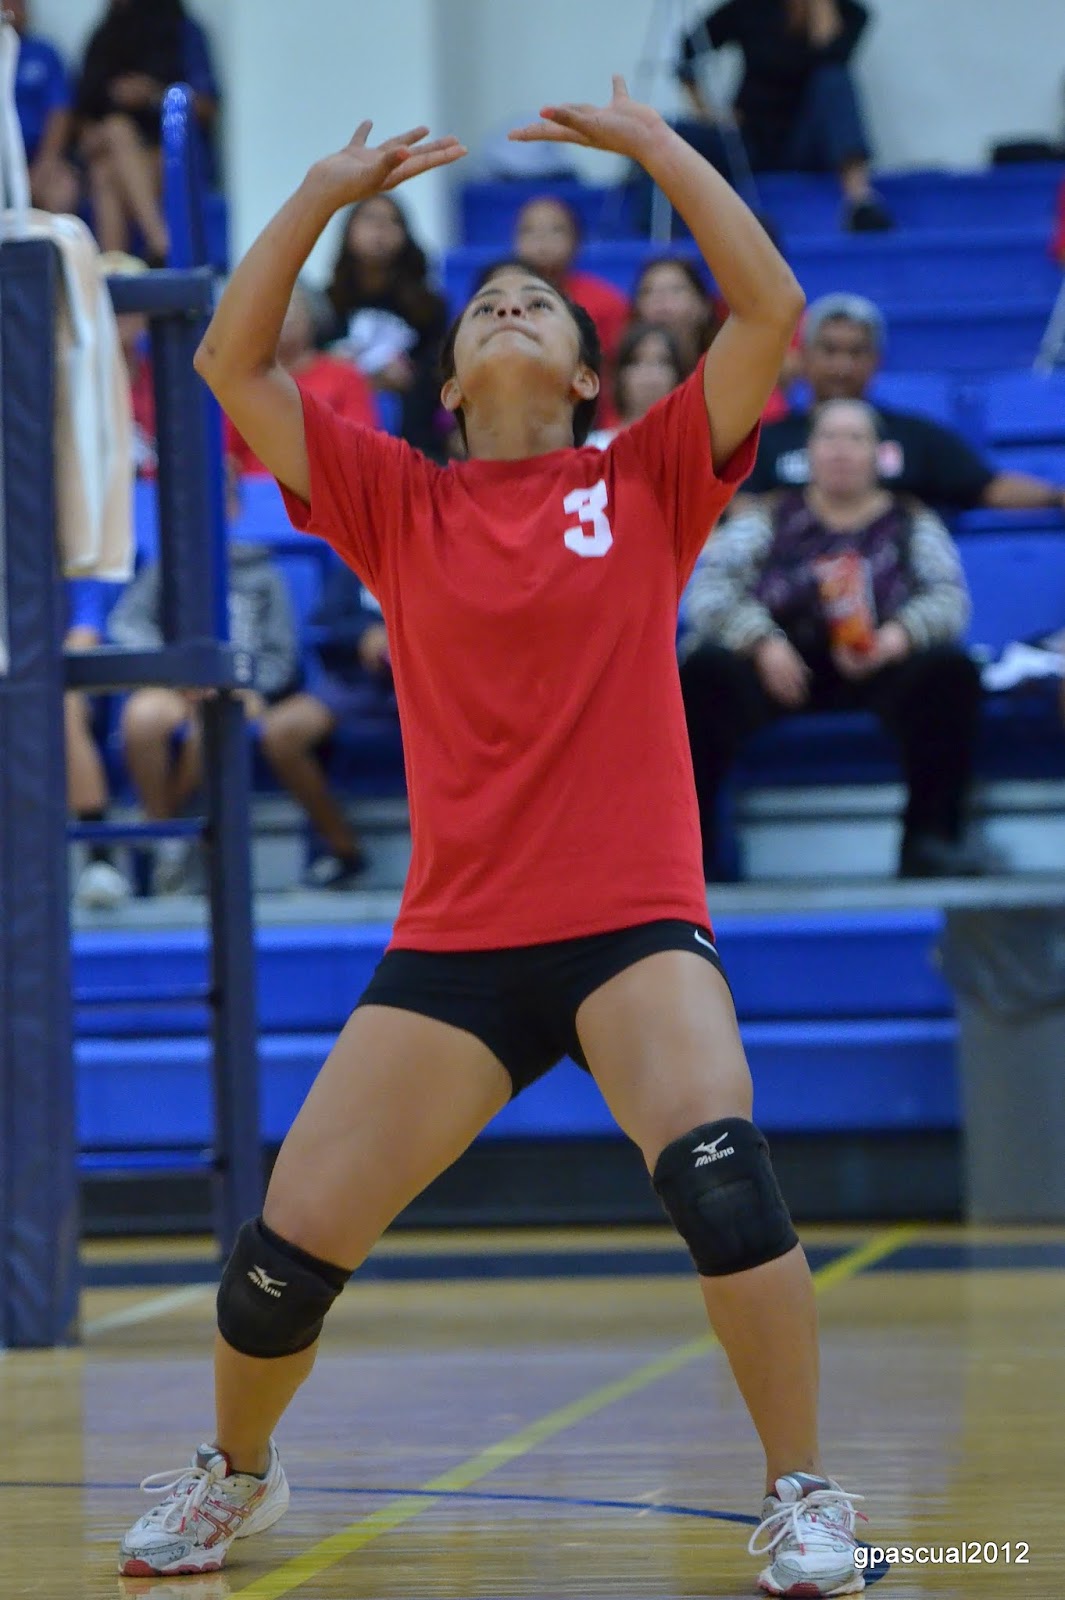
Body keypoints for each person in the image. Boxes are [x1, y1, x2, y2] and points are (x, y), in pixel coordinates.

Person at [118, 85, 868, 1600]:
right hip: (456, 945)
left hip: (632, 925)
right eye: (483, 307)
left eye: (536, 301)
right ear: (452, 388)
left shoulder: (645, 478)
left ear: (589, 376)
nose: (508, 304)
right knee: (277, 1266)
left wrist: (661, 149)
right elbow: (229, 361)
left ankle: (803, 1496)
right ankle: (236, 1473)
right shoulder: (400, 503)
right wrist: (321, 195)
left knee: (722, 1179)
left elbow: (769, 308)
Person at [681, 398, 984, 880]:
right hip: (781, 665)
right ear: (809, 452)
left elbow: (950, 600)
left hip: (879, 663)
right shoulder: (765, 516)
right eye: (829, 438)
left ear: (880, 455)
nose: (841, 450)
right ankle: (693, 853)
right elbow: (708, 593)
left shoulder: (912, 521)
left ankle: (930, 841)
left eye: (855, 439)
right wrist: (761, 642)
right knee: (703, 672)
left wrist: (898, 638)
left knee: (951, 672)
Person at [745, 292, 1065, 513]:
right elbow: (738, 507)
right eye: (829, 351)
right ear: (803, 358)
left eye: (857, 352)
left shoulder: (914, 436)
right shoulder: (769, 441)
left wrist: (1055, 496)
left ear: (876, 361)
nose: (842, 366)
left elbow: (987, 487)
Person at [111, 544, 297, 893]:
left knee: (214, 723)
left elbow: (281, 656)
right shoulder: (163, 569)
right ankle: (168, 842)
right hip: (173, 684)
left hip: (239, 688)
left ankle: (165, 829)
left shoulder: (265, 575)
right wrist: (173, 669)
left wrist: (242, 680)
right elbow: (127, 623)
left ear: (236, 514)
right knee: (141, 718)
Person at [675, 0, 892, 232]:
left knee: (834, 80)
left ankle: (860, 199)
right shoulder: (749, 8)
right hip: (750, 140)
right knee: (670, 133)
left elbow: (833, 57)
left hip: (804, 142)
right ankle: (671, 228)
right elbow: (688, 49)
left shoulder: (849, 14)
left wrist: (820, 7)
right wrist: (707, 112)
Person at [259, 562, 395, 889]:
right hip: (357, 684)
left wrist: (401, 633)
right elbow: (326, 623)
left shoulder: (448, 554)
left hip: (432, 682)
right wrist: (365, 635)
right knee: (282, 732)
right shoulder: (359, 559)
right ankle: (344, 851)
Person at [75, 0, 219, 262]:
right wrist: (99, 135)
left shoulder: (181, 31)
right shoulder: (104, 38)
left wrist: (152, 94)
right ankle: (150, 249)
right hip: (115, 153)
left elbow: (206, 106)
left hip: (174, 156)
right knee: (106, 164)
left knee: (112, 151)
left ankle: (125, 263)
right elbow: (83, 121)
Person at [319, 194, 449, 456]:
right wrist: (367, 378)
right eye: (369, 219)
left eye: (392, 221)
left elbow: (439, 368)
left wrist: (409, 375)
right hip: (340, 435)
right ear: (348, 231)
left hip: (414, 436)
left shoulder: (429, 305)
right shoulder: (326, 304)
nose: (380, 229)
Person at [226, 284, 380, 478]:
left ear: (312, 314)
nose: (286, 314)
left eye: (294, 305)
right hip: (256, 488)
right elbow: (226, 452)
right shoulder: (244, 383)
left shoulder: (345, 376)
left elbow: (360, 446)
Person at [514, 194, 631, 424]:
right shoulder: (500, 303)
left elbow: (618, 373)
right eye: (530, 231)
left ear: (577, 241)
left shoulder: (607, 301)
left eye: (556, 230)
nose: (542, 241)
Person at [65, 580, 130, 910]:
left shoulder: (77, 567)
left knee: (59, 703)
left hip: (59, 678)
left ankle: (99, 860)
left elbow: (85, 635)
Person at [8, 0, 79, 214]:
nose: (11, 9)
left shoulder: (44, 54)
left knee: (61, 189)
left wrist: (47, 161)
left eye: (18, 3)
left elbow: (60, 111)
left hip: (36, 158)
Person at [586, 320, 687, 447]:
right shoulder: (594, 447)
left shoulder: (692, 448)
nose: (650, 375)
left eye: (663, 362)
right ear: (620, 375)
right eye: (637, 362)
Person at [631, 255, 720, 379]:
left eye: (676, 290)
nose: (660, 302)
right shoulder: (623, 374)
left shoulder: (725, 364)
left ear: (703, 306)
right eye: (648, 291)